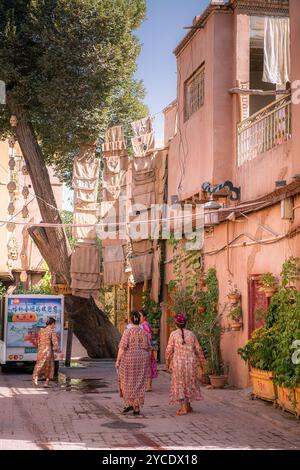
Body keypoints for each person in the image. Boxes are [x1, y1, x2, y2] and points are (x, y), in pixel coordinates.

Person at [166, 313, 206, 416]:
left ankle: (183, 408)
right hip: (190, 362)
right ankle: (188, 405)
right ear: (186, 323)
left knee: (180, 384)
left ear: (176, 324)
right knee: (189, 382)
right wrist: (202, 363)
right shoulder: (191, 334)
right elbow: (198, 349)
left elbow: (169, 350)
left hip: (178, 362)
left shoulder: (173, 334)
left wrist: (167, 362)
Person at [115, 310, 151, 415]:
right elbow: (149, 348)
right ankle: (136, 407)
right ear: (140, 320)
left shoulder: (127, 332)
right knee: (139, 381)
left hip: (128, 360)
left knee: (127, 380)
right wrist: (147, 360)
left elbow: (122, 347)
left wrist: (117, 361)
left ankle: (129, 403)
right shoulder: (143, 332)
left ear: (130, 319)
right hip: (142, 360)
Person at [32, 317, 59, 388]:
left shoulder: (41, 331)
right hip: (48, 351)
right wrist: (56, 350)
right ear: (52, 323)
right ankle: (46, 383)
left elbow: (38, 342)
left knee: (39, 364)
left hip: (41, 350)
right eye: (54, 324)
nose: (54, 326)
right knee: (49, 367)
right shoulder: (51, 331)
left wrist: (40, 348)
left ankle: (35, 377)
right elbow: (55, 343)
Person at [139, 310, 158, 392]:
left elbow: (149, 336)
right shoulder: (141, 325)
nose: (139, 318)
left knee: (148, 366)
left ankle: (149, 385)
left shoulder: (144, 325)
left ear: (144, 317)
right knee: (146, 367)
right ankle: (146, 385)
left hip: (147, 349)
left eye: (140, 316)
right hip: (144, 348)